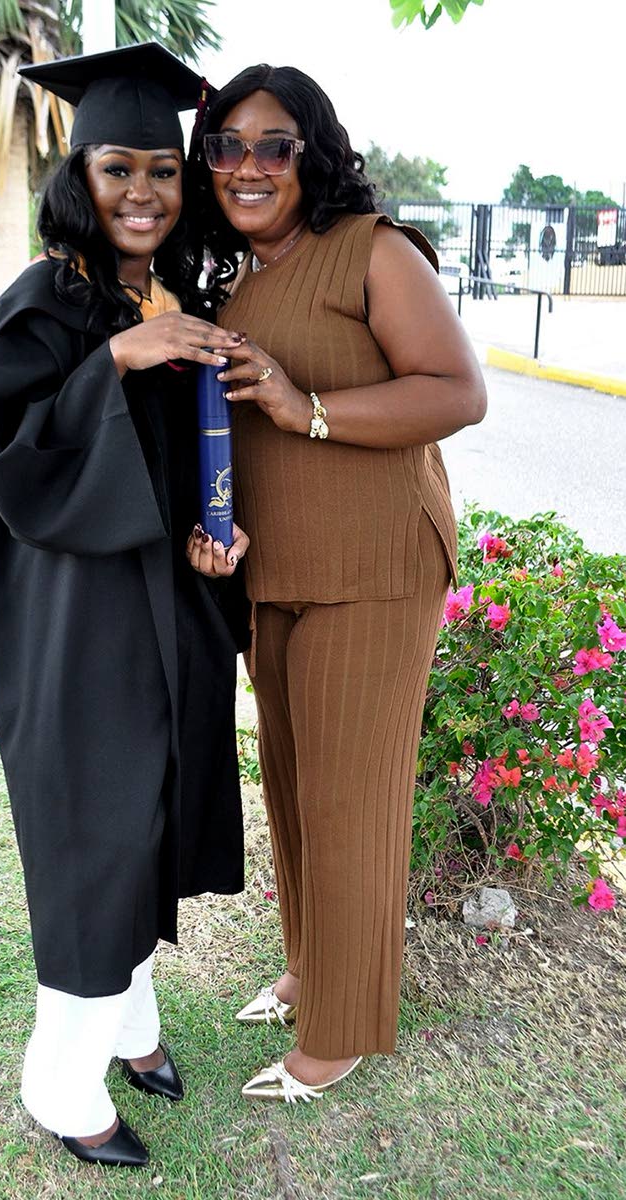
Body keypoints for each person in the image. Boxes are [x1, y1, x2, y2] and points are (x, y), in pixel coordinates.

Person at [187, 64, 487, 1103]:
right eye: (225, 146)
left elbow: (457, 392)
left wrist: (303, 406)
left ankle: (342, 1031)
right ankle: (312, 969)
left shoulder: (374, 251)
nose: (248, 166)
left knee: (349, 801)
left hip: (373, 564)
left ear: (311, 151)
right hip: (280, 569)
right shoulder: (238, 278)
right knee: (293, 788)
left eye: (273, 144)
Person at [0, 43, 249, 1168]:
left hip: (162, 603)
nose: (143, 192)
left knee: (152, 817)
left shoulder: (164, 296)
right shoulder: (45, 305)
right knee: (96, 832)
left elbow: (184, 465)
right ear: (75, 178)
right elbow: (17, 465)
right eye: (117, 169)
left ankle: (131, 1026)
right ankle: (58, 1081)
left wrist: (212, 533)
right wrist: (117, 361)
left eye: (163, 172)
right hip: (76, 620)